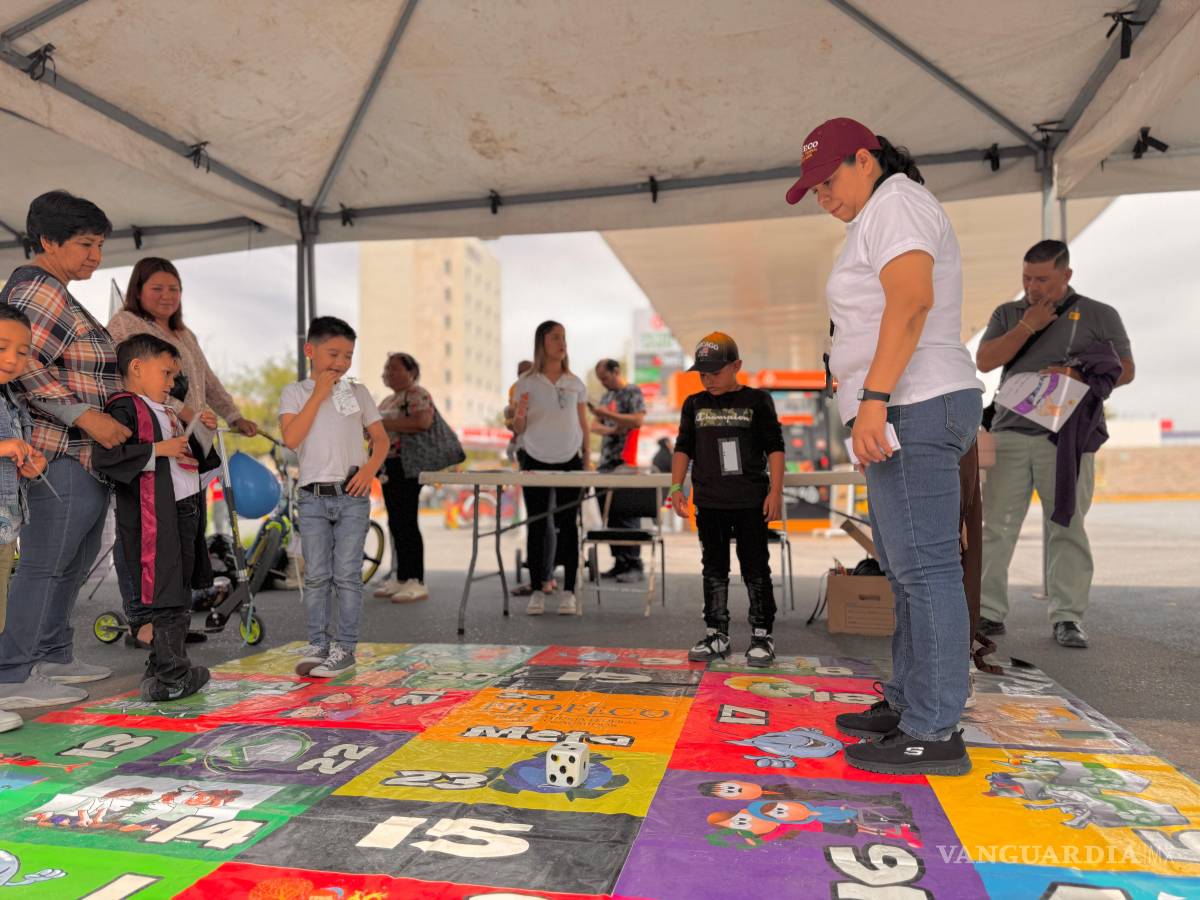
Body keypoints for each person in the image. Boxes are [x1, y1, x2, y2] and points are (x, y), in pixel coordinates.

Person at [785, 117, 983, 775]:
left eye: (828, 178)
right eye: (812, 188)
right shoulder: (878, 215)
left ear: (866, 160)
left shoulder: (895, 202)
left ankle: (934, 730)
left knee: (926, 572)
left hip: (912, 404)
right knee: (905, 570)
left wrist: (873, 399)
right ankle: (910, 704)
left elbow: (911, 302)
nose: (821, 195)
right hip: (906, 404)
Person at [0, 191, 128, 711]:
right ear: (48, 242)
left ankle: (51, 652)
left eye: (99, 244)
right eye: (84, 244)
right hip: (57, 451)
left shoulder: (57, 289)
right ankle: (13, 670)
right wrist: (84, 414)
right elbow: (23, 363)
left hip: (79, 454)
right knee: (47, 563)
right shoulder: (41, 290)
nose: (95, 255)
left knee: (70, 562)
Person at [976, 240, 1134, 649]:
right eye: (1027, 278)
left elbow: (1126, 370)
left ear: (1066, 275)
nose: (1033, 287)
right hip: (1010, 433)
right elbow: (985, 360)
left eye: (1043, 279)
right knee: (995, 527)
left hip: (1067, 438)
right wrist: (1028, 325)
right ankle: (988, 611)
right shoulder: (1007, 313)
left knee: (1066, 525)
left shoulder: (1100, 315)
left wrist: (1075, 374)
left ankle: (1067, 616)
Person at [107, 257, 259, 637]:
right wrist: (184, 409)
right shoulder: (126, 324)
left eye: (174, 289)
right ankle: (143, 621)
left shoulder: (184, 334)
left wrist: (235, 416)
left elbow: (208, 380)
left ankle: (172, 620)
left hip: (191, 443)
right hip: (151, 440)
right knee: (144, 532)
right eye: (157, 288)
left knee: (185, 533)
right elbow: (127, 382)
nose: (166, 296)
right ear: (137, 290)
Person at [94, 335, 219, 701]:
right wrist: (157, 450)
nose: (171, 383)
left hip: (183, 508)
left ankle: (162, 662)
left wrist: (201, 430)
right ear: (137, 368)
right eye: (166, 373)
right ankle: (172, 675)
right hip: (155, 516)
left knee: (179, 589)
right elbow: (108, 458)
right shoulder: (125, 408)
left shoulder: (165, 410)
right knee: (165, 593)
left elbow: (193, 456)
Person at [280, 316, 388, 678]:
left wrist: (370, 469)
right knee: (316, 576)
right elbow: (292, 439)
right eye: (333, 354)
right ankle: (317, 645)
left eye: (348, 356)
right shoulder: (294, 393)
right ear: (310, 351)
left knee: (347, 575)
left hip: (351, 495)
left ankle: (345, 648)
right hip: (311, 497)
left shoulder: (358, 392)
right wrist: (319, 395)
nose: (340, 363)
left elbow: (381, 439)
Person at [669, 332, 784, 668]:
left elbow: (775, 448)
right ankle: (716, 633)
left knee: (755, 568)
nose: (708, 380)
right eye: (702, 373)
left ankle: (762, 634)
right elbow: (682, 449)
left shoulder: (758, 401)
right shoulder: (694, 404)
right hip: (709, 502)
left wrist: (775, 491)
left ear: (737, 366)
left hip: (751, 501)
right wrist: (677, 488)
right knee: (714, 569)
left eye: (715, 372)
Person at [511, 321, 590, 616]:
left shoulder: (575, 383)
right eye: (555, 337)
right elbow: (519, 427)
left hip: (570, 459)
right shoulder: (526, 383)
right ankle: (537, 589)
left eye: (564, 337)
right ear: (541, 342)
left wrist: (587, 459)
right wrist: (518, 415)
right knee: (537, 524)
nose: (562, 342)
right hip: (534, 457)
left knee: (569, 525)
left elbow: (583, 424)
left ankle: (569, 590)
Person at [0, 307, 47, 733]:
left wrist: (28, 460)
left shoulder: (12, 397)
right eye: (2, 347)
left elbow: (15, 453)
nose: (13, 358)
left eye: (22, 351)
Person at [374, 352, 433, 603]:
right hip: (389, 465)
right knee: (395, 521)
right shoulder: (387, 400)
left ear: (411, 372)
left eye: (395, 368)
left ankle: (416, 580)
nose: (389, 372)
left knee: (408, 520)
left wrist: (387, 424)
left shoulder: (419, 395)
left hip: (408, 465)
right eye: (387, 367)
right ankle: (400, 576)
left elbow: (423, 422)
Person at [590, 359, 647, 582]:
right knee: (610, 514)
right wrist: (614, 429)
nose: (603, 383)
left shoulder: (632, 391)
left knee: (628, 514)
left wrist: (611, 419)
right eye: (600, 380)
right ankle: (620, 561)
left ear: (616, 371)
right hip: (606, 462)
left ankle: (635, 563)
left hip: (626, 461)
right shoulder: (607, 397)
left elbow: (637, 420)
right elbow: (595, 425)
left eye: (605, 378)